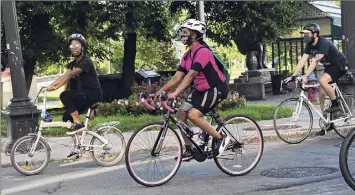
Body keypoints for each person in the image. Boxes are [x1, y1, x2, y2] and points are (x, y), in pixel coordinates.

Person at [156, 19, 230, 160]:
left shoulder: (203, 52)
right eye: (182, 32)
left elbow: (191, 75)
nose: (182, 35)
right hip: (201, 90)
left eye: (185, 32)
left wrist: (176, 92)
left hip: (216, 88)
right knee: (182, 113)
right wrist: (161, 91)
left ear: (195, 35)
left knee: (194, 115)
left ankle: (221, 138)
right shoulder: (187, 55)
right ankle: (190, 149)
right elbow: (178, 77)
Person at [284, 23, 349, 135]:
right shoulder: (309, 46)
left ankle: (335, 104)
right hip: (329, 67)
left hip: (339, 64)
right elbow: (302, 61)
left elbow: (315, 61)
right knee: (322, 95)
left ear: (315, 34)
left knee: (323, 81)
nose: (305, 36)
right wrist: (293, 76)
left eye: (307, 34)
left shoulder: (323, 42)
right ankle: (327, 123)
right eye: (304, 34)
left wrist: (305, 76)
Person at [47, 33, 103, 131]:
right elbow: (64, 75)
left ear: (82, 47)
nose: (74, 47)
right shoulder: (74, 63)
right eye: (72, 45)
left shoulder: (86, 61)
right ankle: (80, 138)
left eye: (77, 45)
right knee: (66, 118)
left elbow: (70, 75)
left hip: (92, 93)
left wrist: (56, 87)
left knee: (64, 95)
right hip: (83, 94)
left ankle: (78, 123)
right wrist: (49, 86)